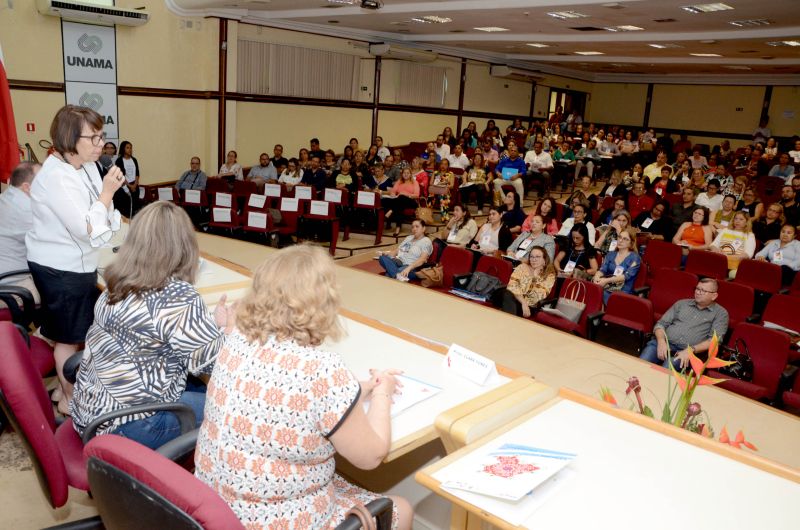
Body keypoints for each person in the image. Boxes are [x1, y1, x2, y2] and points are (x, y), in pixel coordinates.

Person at [195, 245, 412, 530]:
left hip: (213, 511)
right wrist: (383, 391)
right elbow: (371, 456)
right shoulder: (323, 371)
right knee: (402, 508)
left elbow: (284, 391)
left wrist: (361, 387)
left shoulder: (235, 340)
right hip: (278, 521)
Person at [71, 202, 228, 448]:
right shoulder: (177, 297)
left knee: (201, 391)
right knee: (233, 407)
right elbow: (217, 363)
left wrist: (208, 327)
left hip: (91, 414)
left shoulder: (115, 281)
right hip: (131, 426)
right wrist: (226, 329)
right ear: (185, 245)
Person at [26, 104, 125, 415]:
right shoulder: (55, 176)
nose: (101, 144)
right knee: (68, 339)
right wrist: (107, 194)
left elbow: (102, 220)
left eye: (102, 136)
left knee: (78, 332)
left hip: (80, 262)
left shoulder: (87, 164)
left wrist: (104, 203)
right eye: (93, 138)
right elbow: (87, 228)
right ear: (70, 138)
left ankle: (64, 390)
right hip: (60, 267)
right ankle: (70, 401)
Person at [639, 278, 729, 370]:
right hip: (663, 343)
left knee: (666, 369)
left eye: (703, 291)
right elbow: (660, 324)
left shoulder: (721, 314)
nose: (698, 292)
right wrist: (661, 341)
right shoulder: (682, 304)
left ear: (714, 296)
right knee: (641, 363)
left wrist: (690, 351)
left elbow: (714, 341)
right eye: (697, 289)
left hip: (688, 351)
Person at [0, 162, 41, 305]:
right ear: (26, 187)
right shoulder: (25, 209)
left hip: (6, 275)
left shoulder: (8, 195)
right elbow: (54, 242)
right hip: (13, 284)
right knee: (67, 289)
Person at [501, 246, 557, 318]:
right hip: (514, 299)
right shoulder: (522, 267)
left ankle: (508, 321)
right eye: (532, 257)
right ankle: (511, 321)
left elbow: (537, 296)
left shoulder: (549, 275)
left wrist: (535, 277)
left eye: (538, 257)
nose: (534, 259)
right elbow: (512, 287)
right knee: (506, 294)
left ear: (544, 260)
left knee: (508, 298)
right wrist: (523, 302)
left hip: (529, 306)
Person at [593, 228, 640, 303]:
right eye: (620, 237)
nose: (620, 241)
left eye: (625, 239)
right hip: (607, 286)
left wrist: (606, 280)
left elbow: (626, 276)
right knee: (593, 290)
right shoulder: (611, 254)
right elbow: (602, 269)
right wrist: (597, 276)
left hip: (623, 291)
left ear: (631, 243)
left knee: (597, 294)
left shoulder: (635, 258)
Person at [382, 167, 420, 236]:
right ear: (402, 174)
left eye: (408, 173)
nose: (406, 174)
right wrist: (393, 195)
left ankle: (391, 211)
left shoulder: (414, 182)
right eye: (404, 173)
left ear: (410, 174)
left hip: (411, 201)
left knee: (401, 198)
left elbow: (417, 195)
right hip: (399, 200)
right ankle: (398, 227)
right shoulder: (399, 181)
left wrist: (406, 195)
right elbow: (393, 191)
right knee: (385, 200)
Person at [114, 140, 140, 216]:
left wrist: (135, 184)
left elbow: (137, 173)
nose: (130, 150)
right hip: (125, 187)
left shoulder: (134, 160)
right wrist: (129, 186)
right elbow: (120, 176)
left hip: (135, 186)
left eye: (131, 148)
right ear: (123, 149)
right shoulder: (119, 161)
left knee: (135, 206)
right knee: (127, 207)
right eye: (127, 148)